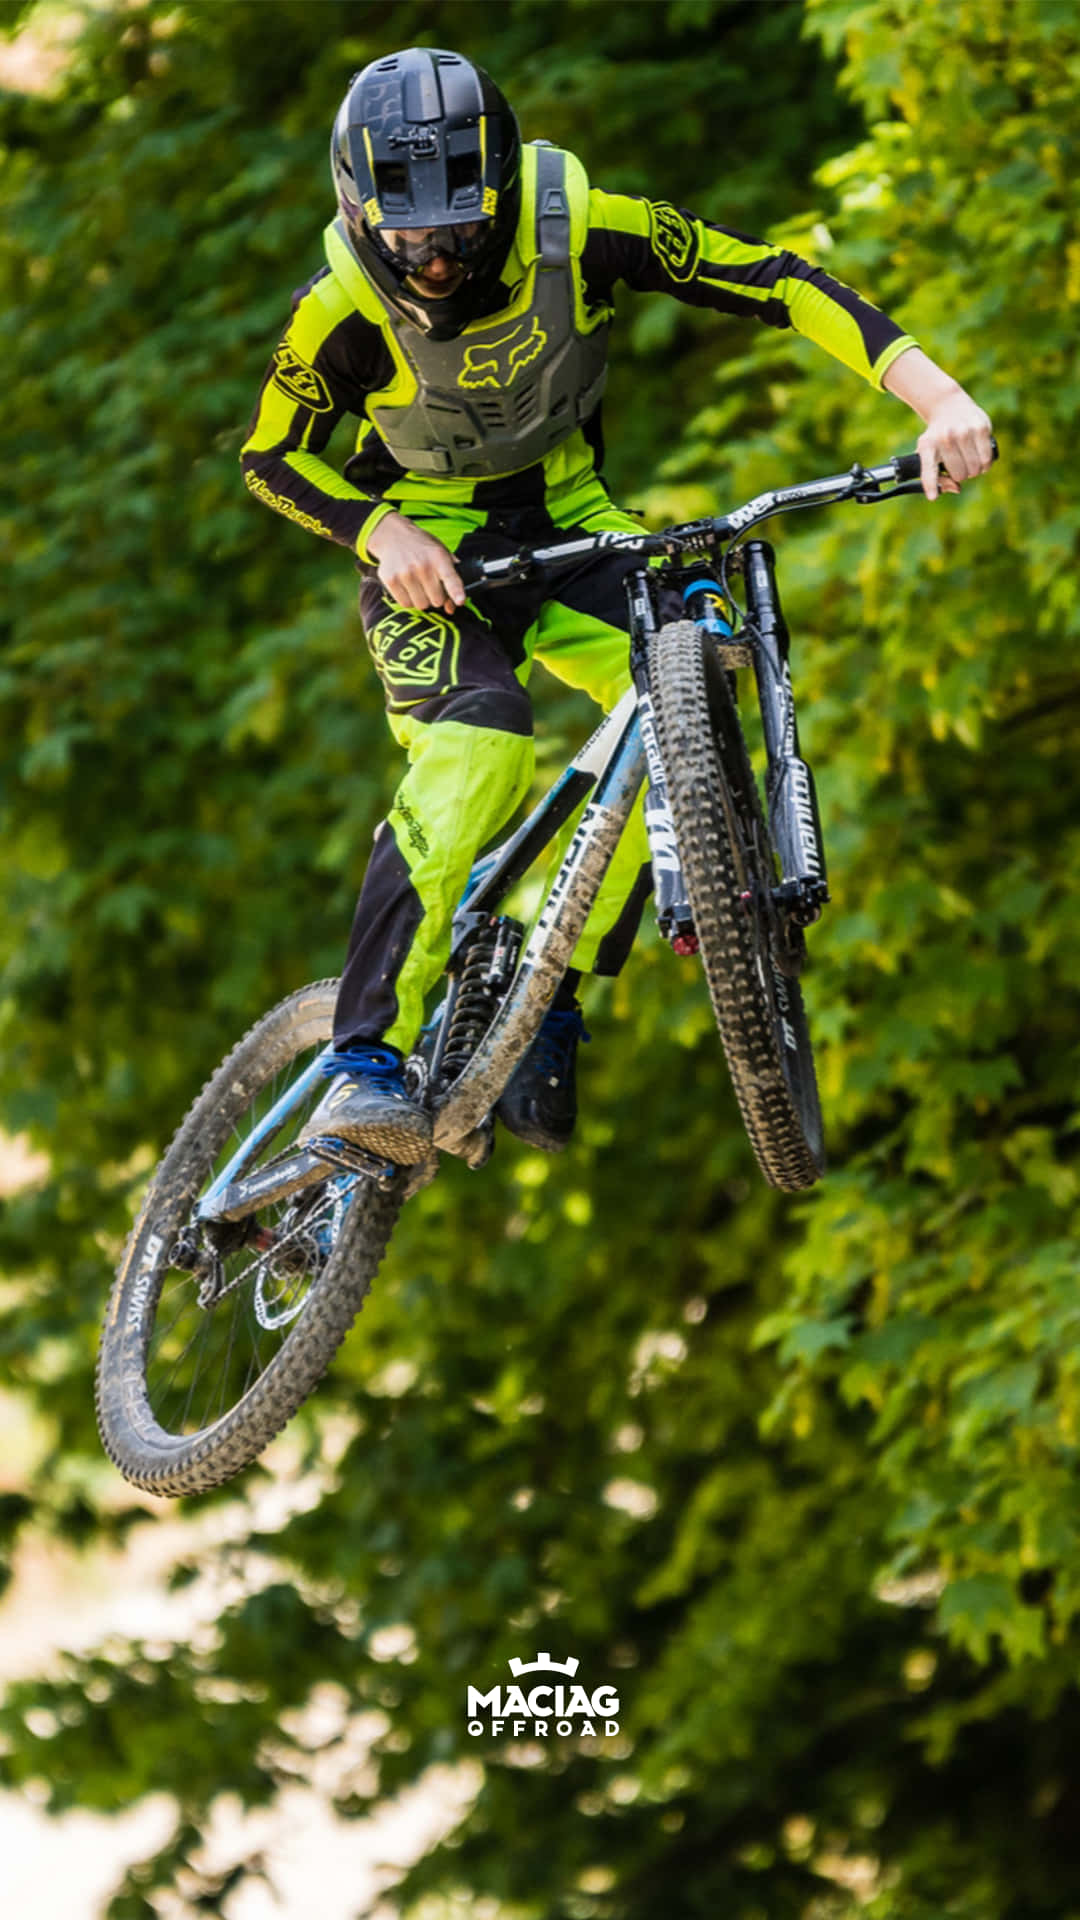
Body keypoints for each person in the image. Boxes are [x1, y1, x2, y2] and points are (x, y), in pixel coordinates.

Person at [241, 46, 994, 1165]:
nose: (432, 261)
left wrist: (938, 397)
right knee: (480, 747)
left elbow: (776, 279)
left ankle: (552, 996)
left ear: (500, 193)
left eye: (455, 231)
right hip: (430, 553)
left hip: (571, 521)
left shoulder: (582, 224)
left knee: (672, 698)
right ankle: (362, 1058)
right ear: (357, 209)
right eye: (406, 237)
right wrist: (378, 532)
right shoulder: (339, 310)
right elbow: (270, 459)